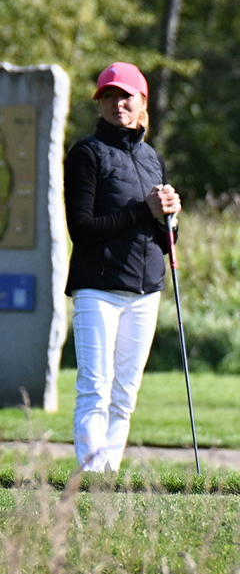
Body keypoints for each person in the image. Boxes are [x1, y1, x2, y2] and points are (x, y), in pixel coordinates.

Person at [64, 62, 181, 473]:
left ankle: (108, 473)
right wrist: (143, 210)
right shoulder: (87, 154)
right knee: (95, 389)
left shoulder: (153, 160)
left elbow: (165, 239)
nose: (117, 104)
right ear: (100, 104)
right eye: (108, 96)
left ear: (142, 101)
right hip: (98, 288)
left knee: (124, 395)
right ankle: (91, 473)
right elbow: (82, 229)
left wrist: (170, 218)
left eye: (125, 96)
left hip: (145, 292)